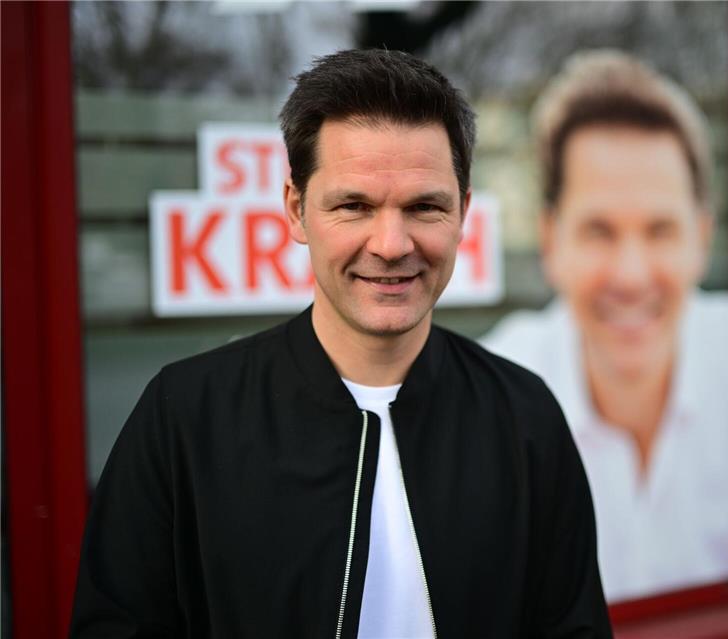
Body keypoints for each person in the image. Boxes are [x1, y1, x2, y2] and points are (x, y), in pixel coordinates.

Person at [70, 49, 611, 638]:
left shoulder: (524, 416)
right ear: (297, 211)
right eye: (354, 206)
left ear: (463, 214)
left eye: (424, 206)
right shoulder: (183, 417)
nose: (390, 243)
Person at [482, 50, 728, 603]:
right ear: (550, 240)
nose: (631, 276)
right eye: (599, 230)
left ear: (701, 238)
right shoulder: (494, 393)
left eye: (660, 230)